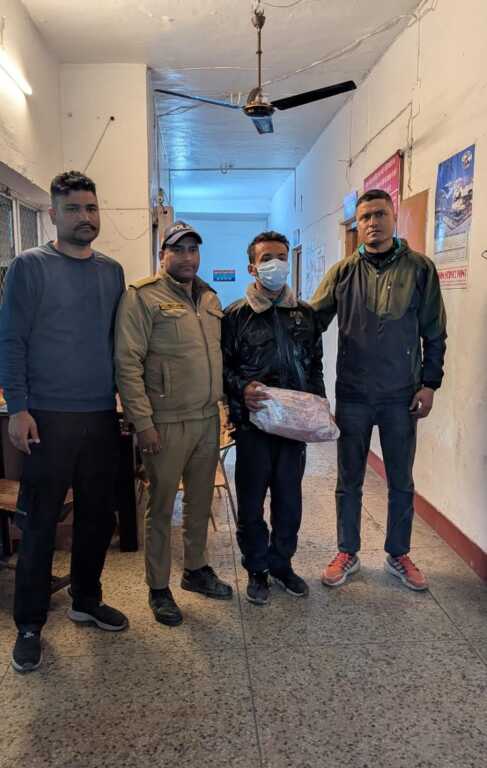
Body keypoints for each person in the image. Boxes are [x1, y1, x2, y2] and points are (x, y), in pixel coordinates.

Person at [0, 171, 129, 674]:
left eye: (91, 208)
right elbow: (11, 340)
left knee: (98, 517)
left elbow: (119, 343)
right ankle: (30, 624)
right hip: (47, 417)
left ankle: (86, 599)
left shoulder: (112, 272)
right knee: (39, 524)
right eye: (73, 209)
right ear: (53, 214)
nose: (84, 217)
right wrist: (19, 407)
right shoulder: (29, 267)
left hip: (100, 414)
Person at [311, 189, 447, 591]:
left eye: (379, 214)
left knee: (401, 479)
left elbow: (434, 332)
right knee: (349, 478)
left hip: (401, 395)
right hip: (353, 393)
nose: (372, 222)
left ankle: (398, 554)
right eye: (365, 216)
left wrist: (430, 384)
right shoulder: (342, 272)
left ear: (393, 216)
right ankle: (347, 552)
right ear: (357, 224)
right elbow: (310, 322)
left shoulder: (420, 269)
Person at [115, 220, 232, 627]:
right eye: (178, 249)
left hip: (207, 419)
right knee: (162, 507)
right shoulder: (142, 297)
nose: (187, 257)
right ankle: (158, 587)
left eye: (193, 250)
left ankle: (195, 569)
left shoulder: (210, 297)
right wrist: (142, 421)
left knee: (199, 502)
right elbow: (127, 363)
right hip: (165, 423)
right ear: (162, 254)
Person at [222, 231, 326, 605]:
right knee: (251, 503)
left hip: (293, 427)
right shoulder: (235, 315)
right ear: (252, 267)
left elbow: (314, 365)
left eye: (281, 256)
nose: (276, 264)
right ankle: (256, 568)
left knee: (289, 501)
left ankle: (282, 564)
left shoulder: (305, 314)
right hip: (254, 426)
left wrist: (319, 407)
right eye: (266, 258)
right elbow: (222, 368)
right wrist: (241, 388)